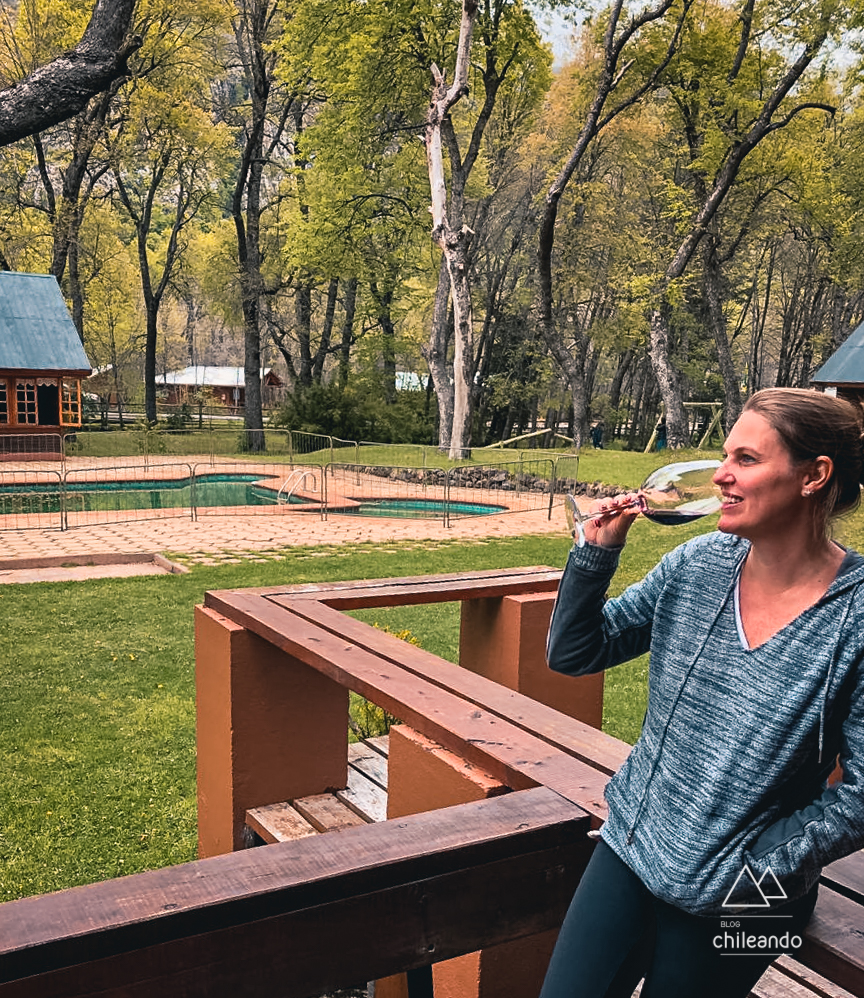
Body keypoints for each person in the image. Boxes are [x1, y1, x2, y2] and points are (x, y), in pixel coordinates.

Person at [540, 388, 864, 998]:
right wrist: (595, 555)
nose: (720, 475)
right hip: (634, 844)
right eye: (724, 456)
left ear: (813, 476)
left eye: (746, 459)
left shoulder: (857, 616)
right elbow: (576, 653)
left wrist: (761, 861)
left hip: (755, 894)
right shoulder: (699, 564)